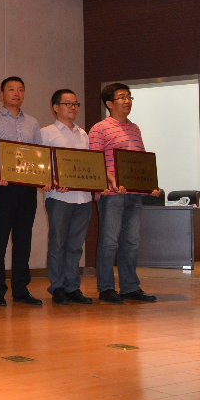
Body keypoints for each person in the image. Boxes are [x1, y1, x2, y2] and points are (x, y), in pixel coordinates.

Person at [0, 76, 50, 307]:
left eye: (20, 89)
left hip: (27, 189)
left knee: (23, 239)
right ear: (2, 95)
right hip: (3, 187)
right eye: (11, 89)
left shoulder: (33, 122)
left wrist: (43, 178)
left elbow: (39, 155)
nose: (16, 93)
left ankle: (21, 289)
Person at [88, 83, 161, 303]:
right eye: (122, 97)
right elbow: (95, 160)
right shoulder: (99, 128)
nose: (127, 101)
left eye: (129, 97)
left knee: (131, 242)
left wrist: (151, 184)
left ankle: (130, 287)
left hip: (134, 194)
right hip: (112, 195)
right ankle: (106, 288)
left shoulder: (135, 128)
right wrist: (112, 179)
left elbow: (141, 161)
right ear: (109, 103)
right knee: (110, 242)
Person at [40, 89, 97, 306]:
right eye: (67, 103)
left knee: (75, 246)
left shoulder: (84, 134)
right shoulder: (46, 133)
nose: (72, 107)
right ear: (55, 107)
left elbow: (90, 165)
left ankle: (73, 288)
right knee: (57, 244)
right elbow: (40, 164)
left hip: (83, 198)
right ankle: (57, 288)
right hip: (59, 197)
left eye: (75, 104)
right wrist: (52, 179)